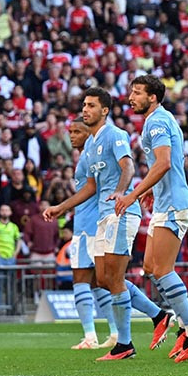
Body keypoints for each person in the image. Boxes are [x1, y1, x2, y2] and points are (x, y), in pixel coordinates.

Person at [45, 88, 167, 360]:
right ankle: (158, 315)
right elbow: (90, 186)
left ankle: (125, 344)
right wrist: (61, 208)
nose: (85, 109)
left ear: (104, 110)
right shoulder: (89, 146)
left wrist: (122, 192)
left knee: (112, 278)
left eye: (91, 105)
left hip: (121, 212)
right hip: (102, 213)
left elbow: (128, 167)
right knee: (103, 280)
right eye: (84, 105)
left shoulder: (116, 134)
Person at [115, 75, 188, 362]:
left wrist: (133, 194)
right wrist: (152, 190)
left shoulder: (156, 121)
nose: (131, 97)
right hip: (165, 203)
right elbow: (168, 163)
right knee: (151, 267)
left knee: (164, 269)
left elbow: (165, 162)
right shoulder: (160, 119)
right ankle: (179, 322)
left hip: (175, 205)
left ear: (152, 97)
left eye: (137, 92)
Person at [63, 117, 116, 350]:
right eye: (70, 131)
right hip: (91, 224)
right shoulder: (91, 156)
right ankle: (114, 332)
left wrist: (61, 207)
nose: (72, 135)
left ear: (88, 134)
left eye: (77, 131)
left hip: (87, 227)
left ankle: (90, 336)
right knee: (99, 282)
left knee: (82, 279)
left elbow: (92, 191)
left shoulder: (89, 156)